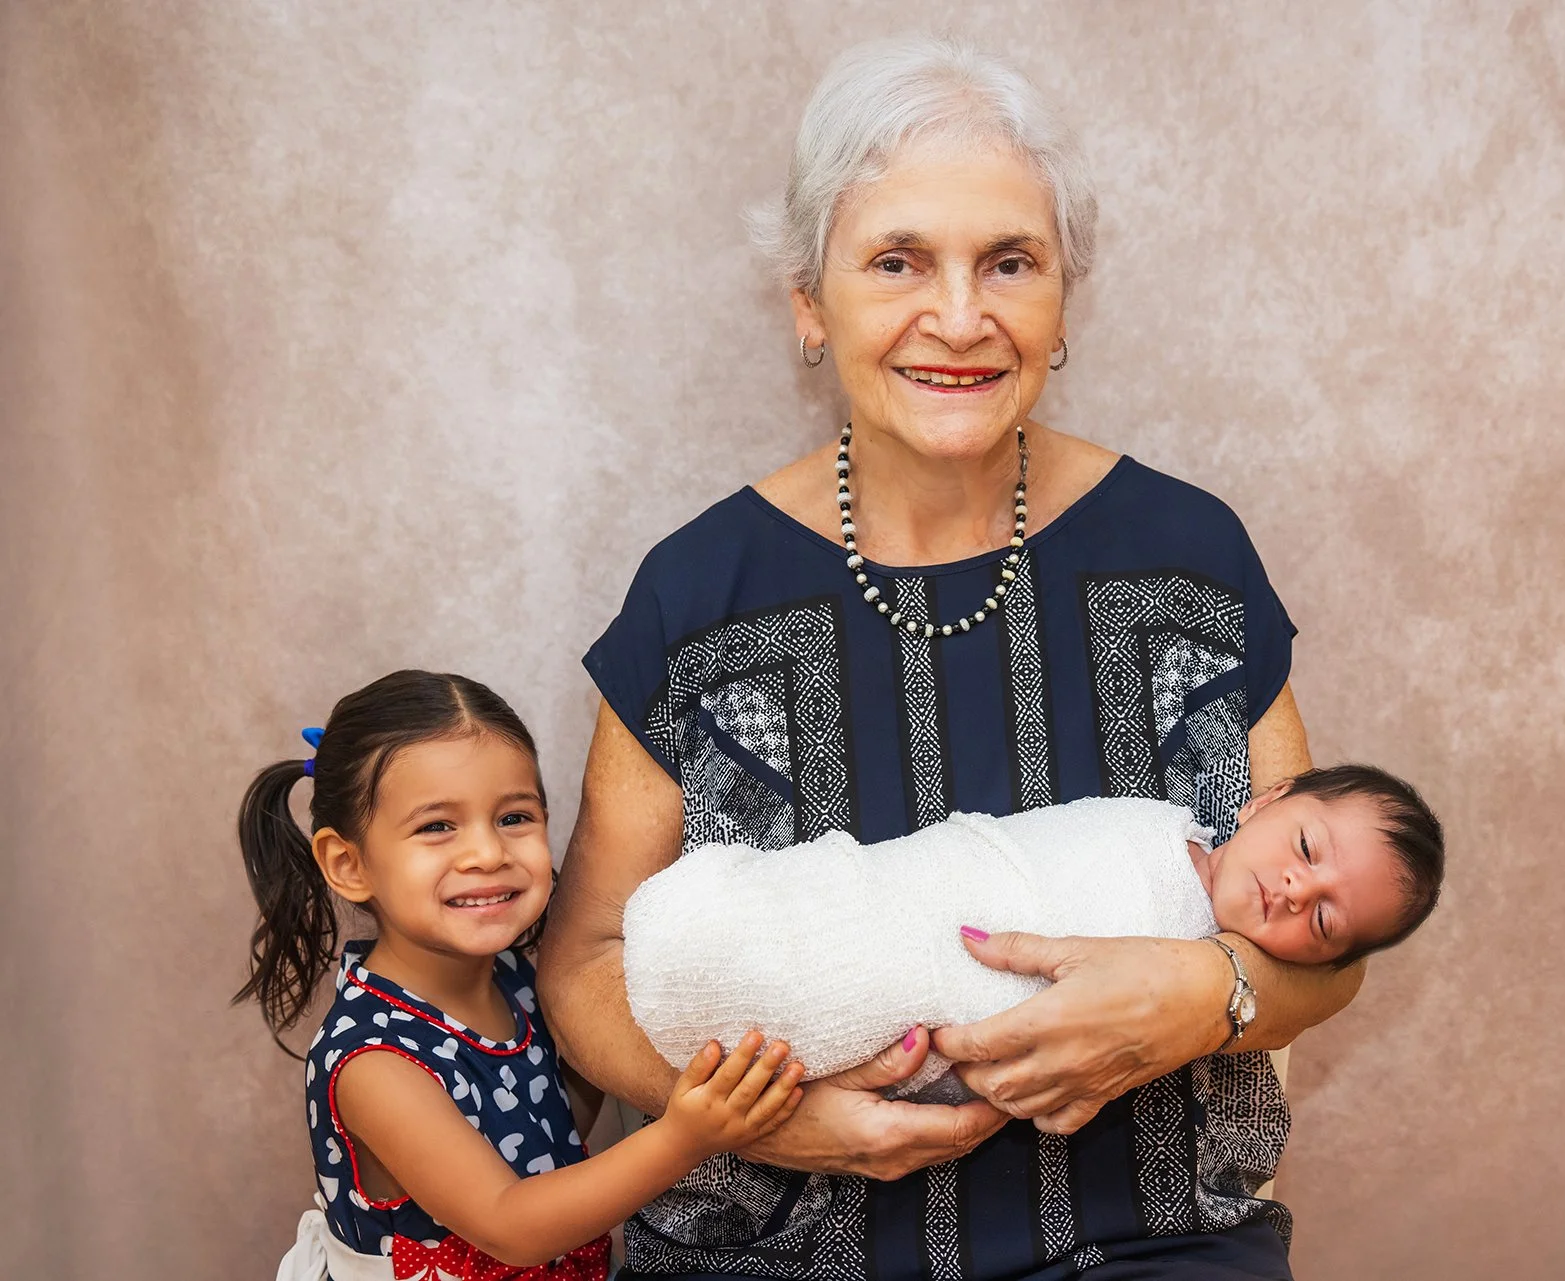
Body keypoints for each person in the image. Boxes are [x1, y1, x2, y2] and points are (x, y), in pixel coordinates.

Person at [540, 36, 1365, 1281]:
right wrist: (763, 1121)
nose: (963, 318)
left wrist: (1204, 999)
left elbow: (1329, 934)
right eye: (898, 261)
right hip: (772, 1261)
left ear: (1064, 304)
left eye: (1010, 263)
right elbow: (584, 969)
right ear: (808, 302)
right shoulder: (699, 594)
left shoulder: (1191, 558)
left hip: (1150, 1250)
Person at [234, 670, 804, 1281]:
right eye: (436, 827)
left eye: (513, 818)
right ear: (349, 864)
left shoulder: (515, 980)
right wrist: (685, 1138)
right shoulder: (374, 1059)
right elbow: (511, 1225)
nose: (488, 853)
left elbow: (543, 1132)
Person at [622, 766, 1445, 1094]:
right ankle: (729, 936)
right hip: (918, 893)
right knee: (858, 901)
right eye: (1306, 849)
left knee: (866, 980)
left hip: (944, 1022)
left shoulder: (1197, 975)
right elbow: (990, 855)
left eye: (1326, 918)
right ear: (1269, 797)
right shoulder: (1150, 824)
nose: (1297, 890)